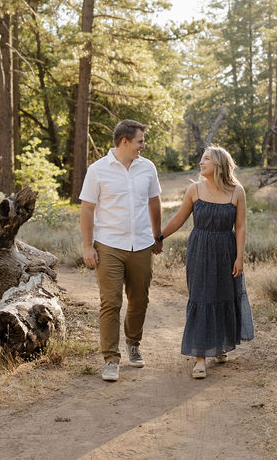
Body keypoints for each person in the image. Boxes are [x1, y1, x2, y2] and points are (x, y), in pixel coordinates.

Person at [158, 145, 254, 379]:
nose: (201, 163)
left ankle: (220, 346)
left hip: (226, 251)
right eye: (201, 159)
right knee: (201, 297)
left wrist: (239, 257)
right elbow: (179, 218)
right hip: (199, 250)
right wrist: (159, 237)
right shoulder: (194, 189)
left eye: (206, 159)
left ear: (219, 165)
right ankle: (200, 357)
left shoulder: (236, 191)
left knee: (223, 295)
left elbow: (240, 226)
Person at [80, 119, 163, 382]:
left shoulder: (147, 168)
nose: (143, 145)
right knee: (111, 302)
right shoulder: (98, 170)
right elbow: (87, 209)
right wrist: (86, 245)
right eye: (140, 141)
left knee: (139, 300)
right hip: (109, 245)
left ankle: (133, 343)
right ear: (125, 141)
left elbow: (155, 201)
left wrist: (157, 235)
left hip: (141, 244)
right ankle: (111, 359)